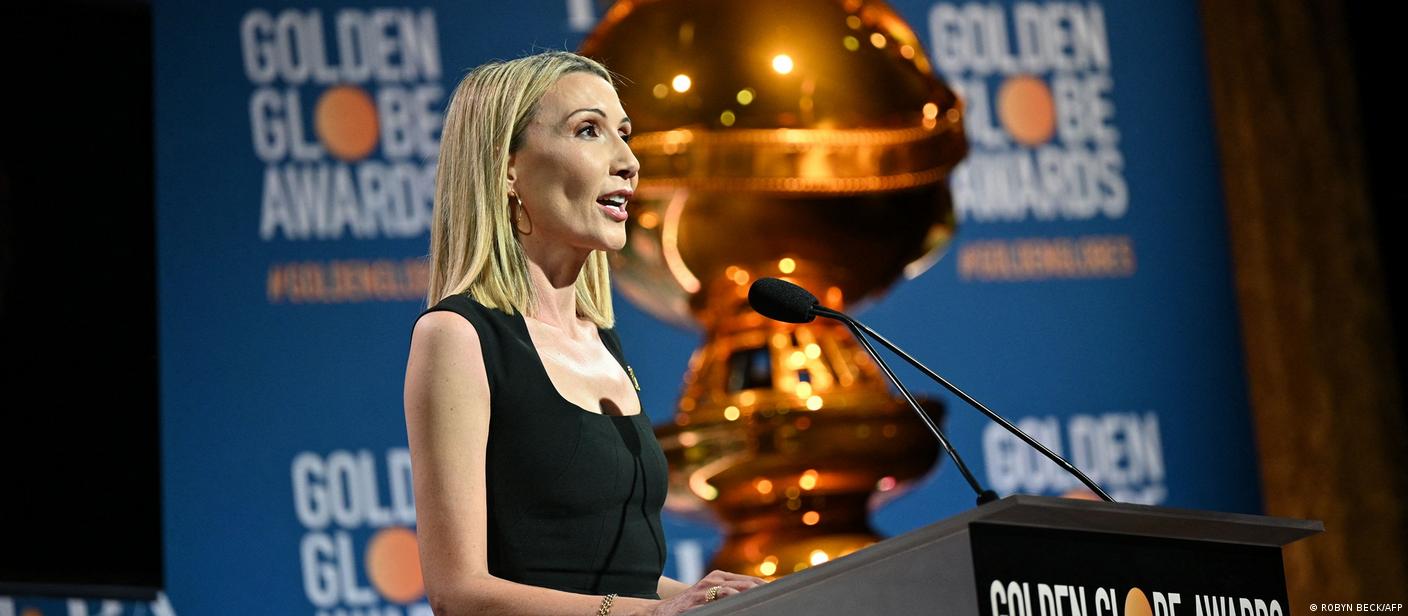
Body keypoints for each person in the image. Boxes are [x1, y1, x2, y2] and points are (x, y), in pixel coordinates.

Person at [403, 50, 767, 616]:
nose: (628, 161)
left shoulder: (602, 342)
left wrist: (703, 597)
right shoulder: (458, 336)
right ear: (507, 168)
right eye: (589, 131)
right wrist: (651, 614)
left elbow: (608, 576)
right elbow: (459, 593)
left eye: (624, 134)